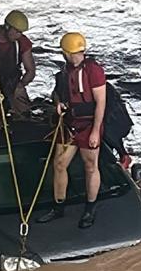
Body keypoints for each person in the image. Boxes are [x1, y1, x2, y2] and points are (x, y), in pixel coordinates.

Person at [37, 32, 106, 229]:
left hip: (87, 125)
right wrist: (58, 103)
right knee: (59, 164)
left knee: (90, 166)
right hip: (68, 125)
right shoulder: (65, 72)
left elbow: (101, 102)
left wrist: (95, 132)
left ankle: (90, 209)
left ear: (67, 51)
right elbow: (57, 93)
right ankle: (58, 207)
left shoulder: (94, 71)